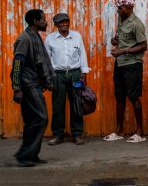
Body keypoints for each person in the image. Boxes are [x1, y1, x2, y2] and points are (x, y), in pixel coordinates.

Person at [11, 9, 54, 167]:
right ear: (35, 21)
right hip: (28, 86)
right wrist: (17, 88)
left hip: (35, 84)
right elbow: (17, 64)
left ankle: (30, 155)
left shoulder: (35, 36)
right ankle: (25, 155)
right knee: (41, 117)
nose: (45, 22)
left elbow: (40, 62)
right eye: (43, 19)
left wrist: (48, 81)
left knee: (32, 121)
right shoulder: (24, 39)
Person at [104, 0, 148, 143]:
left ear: (129, 8)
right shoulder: (121, 19)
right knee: (119, 96)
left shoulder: (136, 24)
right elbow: (123, 40)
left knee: (134, 97)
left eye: (120, 8)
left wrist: (123, 51)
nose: (118, 10)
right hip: (120, 64)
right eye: (118, 7)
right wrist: (115, 41)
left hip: (133, 64)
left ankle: (140, 132)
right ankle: (119, 131)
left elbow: (143, 46)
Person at [45, 13, 90, 146]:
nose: (64, 24)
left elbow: (83, 55)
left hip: (75, 74)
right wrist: (49, 79)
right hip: (57, 75)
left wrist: (84, 75)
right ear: (56, 25)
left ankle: (77, 134)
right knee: (58, 106)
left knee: (77, 104)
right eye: (61, 22)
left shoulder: (76, 36)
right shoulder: (50, 39)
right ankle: (58, 134)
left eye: (66, 21)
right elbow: (47, 60)